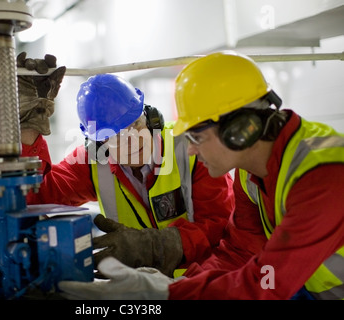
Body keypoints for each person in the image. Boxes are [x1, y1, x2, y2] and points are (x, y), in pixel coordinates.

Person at [57, 50, 344, 300]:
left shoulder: (323, 177)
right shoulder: (251, 174)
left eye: (196, 136)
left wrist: (166, 294)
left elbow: (264, 283)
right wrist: (179, 284)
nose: (190, 151)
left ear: (240, 130)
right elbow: (237, 254)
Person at [16, 52, 235, 277]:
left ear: (151, 118)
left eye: (135, 123)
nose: (132, 140)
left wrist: (155, 246)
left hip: (204, 286)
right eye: (115, 135)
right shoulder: (91, 163)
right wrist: (29, 128)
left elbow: (221, 227)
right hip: (140, 292)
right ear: (99, 145)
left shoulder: (192, 148)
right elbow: (33, 198)